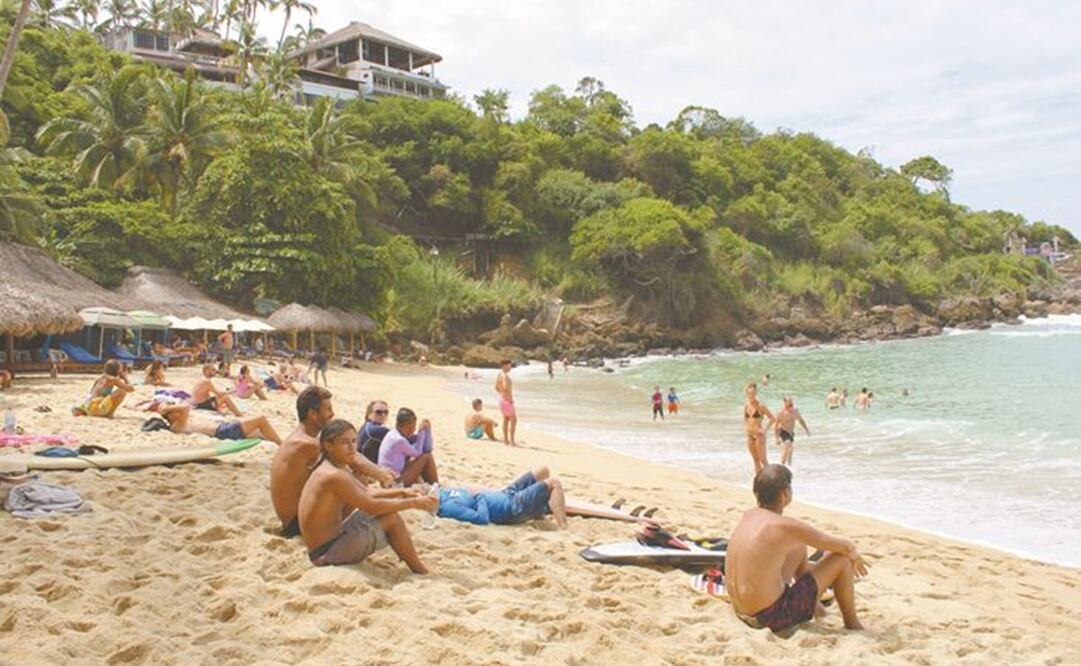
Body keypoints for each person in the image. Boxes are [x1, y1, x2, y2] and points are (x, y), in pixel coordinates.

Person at [725, 465, 868, 632]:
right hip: (769, 617)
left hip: (741, 610)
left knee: (798, 547)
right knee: (841, 560)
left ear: (755, 492)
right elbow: (844, 546)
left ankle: (817, 609)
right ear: (786, 493)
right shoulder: (786, 527)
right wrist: (854, 556)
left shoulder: (748, 515)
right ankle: (852, 623)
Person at [299, 419, 435, 571]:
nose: (352, 448)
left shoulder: (333, 466)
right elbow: (371, 505)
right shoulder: (333, 475)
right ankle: (419, 569)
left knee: (385, 509)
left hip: (326, 543)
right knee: (391, 518)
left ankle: (413, 562)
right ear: (328, 445)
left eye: (354, 441)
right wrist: (413, 503)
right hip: (326, 552)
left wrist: (402, 492)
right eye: (345, 443)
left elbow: (367, 492)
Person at [271, 387, 393, 538]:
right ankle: (335, 526)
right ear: (313, 414)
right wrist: (383, 475)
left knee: (345, 472)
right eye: (328, 409)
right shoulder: (306, 444)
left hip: (294, 519)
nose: (332, 414)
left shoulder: (301, 437)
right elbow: (354, 459)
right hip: (296, 525)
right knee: (358, 477)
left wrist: (378, 472)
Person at [437, 467, 567, 528]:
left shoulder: (442, 493)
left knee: (543, 471)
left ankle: (538, 513)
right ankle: (563, 526)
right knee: (554, 482)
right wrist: (480, 496)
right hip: (511, 507)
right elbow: (482, 519)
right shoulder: (448, 507)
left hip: (505, 493)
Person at [158, 403, 282, 445]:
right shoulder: (177, 425)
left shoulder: (183, 421)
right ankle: (281, 445)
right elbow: (185, 406)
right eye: (174, 412)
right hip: (223, 432)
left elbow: (187, 407)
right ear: (170, 416)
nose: (178, 413)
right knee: (261, 419)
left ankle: (277, 442)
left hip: (224, 428)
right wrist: (167, 408)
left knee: (260, 433)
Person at [378, 408, 439, 486]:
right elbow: (418, 453)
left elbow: (426, 446)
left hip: (392, 475)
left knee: (420, 458)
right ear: (403, 425)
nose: (413, 430)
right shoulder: (399, 440)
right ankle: (436, 486)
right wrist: (421, 433)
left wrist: (427, 431)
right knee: (427, 457)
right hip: (394, 482)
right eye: (411, 427)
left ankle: (433, 485)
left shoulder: (393, 433)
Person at [744, 382, 774, 474]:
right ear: (746, 393)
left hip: (759, 435)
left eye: (753, 393)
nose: (751, 395)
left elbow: (772, 418)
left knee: (763, 460)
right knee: (755, 461)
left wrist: (765, 430)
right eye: (749, 393)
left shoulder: (761, 405)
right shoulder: (746, 405)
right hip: (750, 435)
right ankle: (758, 483)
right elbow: (746, 418)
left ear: (756, 393)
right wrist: (747, 429)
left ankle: (771, 481)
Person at [774, 397, 810, 466]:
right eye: (789, 402)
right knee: (787, 445)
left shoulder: (795, 411)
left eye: (791, 402)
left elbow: (801, 421)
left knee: (790, 451)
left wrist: (806, 430)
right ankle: (782, 464)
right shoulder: (781, 413)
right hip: (783, 431)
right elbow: (776, 425)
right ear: (784, 403)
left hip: (791, 433)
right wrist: (776, 438)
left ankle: (789, 466)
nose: (791, 404)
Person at [495, 359, 518, 446]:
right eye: (509, 365)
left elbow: (496, 387)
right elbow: (505, 388)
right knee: (513, 420)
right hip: (507, 400)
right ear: (504, 366)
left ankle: (506, 440)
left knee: (506, 419)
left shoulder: (499, 375)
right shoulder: (504, 376)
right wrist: (508, 397)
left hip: (502, 399)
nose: (510, 367)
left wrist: (502, 394)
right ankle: (511, 441)